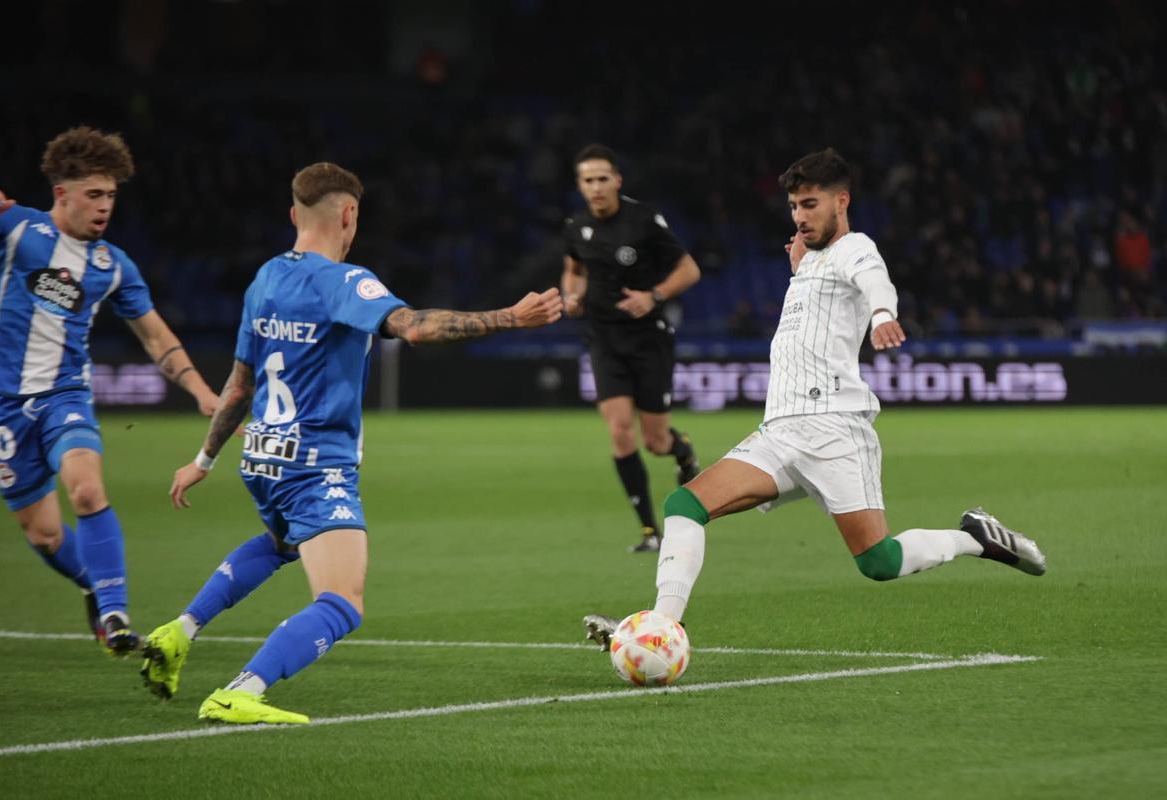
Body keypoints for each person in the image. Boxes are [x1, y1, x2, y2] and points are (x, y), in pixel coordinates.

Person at [140, 162, 562, 725]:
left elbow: (239, 384)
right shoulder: (343, 282)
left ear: (294, 215)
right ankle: (242, 689)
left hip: (262, 457)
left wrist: (203, 460)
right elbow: (413, 327)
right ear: (349, 215)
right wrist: (510, 317)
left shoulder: (264, 278)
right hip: (315, 465)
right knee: (343, 601)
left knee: (281, 543)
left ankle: (178, 631)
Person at [583, 148, 1046, 648]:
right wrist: (801, 269)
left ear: (841, 201)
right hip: (780, 430)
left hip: (833, 429)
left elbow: (874, 280)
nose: (800, 217)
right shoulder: (808, 261)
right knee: (684, 504)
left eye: (810, 204)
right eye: (793, 207)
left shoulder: (855, 248)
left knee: (879, 562)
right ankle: (661, 625)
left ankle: (973, 538)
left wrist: (883, 315)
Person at [0, 127, 221, 656]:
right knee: (44, 535)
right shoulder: (12, 227)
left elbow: (155, 335)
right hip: (1, 403)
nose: (105, 206)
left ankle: (115, 613)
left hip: (65, 396)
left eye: (111, 195)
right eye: (94, 194)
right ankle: (91, 582)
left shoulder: (113, 266)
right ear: (62, 193)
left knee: (85, 487)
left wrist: (202, 391)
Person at [561, 144, 703, 553]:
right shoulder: (576, 226)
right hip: (604, 339)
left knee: (655, 442)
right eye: (588, 180)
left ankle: (682, 449)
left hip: (648, 338)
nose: (596, 187)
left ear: (617, 181)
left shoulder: (644, 220)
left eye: (603, 178)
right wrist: (571, 295)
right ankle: (649, 531)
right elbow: (573, 270)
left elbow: (689, 269)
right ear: (580, 185)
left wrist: (653, 296)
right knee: (620, 431)